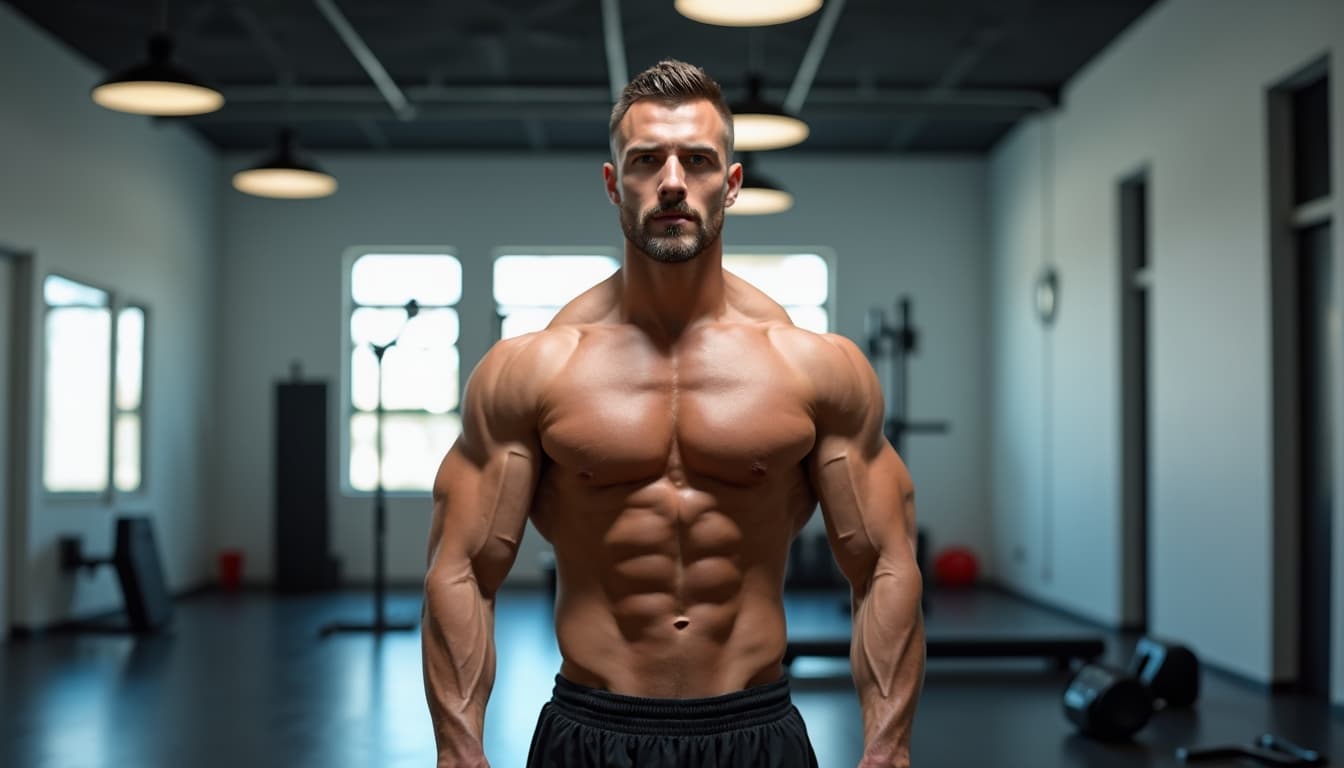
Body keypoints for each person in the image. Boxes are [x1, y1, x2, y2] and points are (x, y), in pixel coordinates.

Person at [422, 59, 925, 768]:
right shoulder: (532, 371)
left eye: (698, 160)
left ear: (733, 183)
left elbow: (883, 564)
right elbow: (464, 569)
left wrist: (889, 748)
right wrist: (458, 751)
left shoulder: (813, 368)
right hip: (591, 732)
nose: (671, 182)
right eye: (645, 160)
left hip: (756, 730)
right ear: (612, 183)